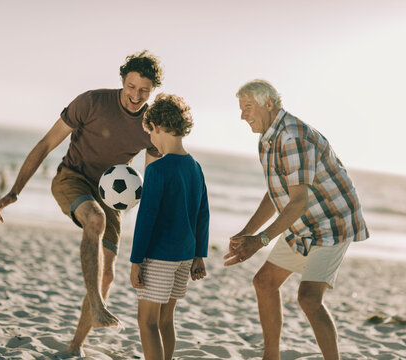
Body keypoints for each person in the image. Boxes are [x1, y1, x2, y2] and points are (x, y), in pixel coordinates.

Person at [0, 50, 163, 356]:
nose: (136, 96)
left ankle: (75, 346)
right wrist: (16, 189)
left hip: (111, 194)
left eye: (144, 91)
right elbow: (47, 143)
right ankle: (98, 304)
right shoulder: (92, 102)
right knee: (94, 220)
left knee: (108, 273)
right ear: (122, 81)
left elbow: (153, 181)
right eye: (131, 86)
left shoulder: (151, 124)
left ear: (152, 91)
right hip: (71, 178)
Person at [224, 79, 369, 360]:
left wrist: (261, 240)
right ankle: (271, 357)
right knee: (264, 282)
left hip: (331, 223)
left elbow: (299, 201)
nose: (243, 115)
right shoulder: (267, 139)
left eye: (248, 107)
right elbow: (276, 193)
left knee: (309, 299)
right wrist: (247, 233)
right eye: (241, 109)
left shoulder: (292, 137)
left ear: (269, 104)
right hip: (303, 222)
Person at [130, 94, 209, 360]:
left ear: (158, 127)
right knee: (166, 320)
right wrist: (200, 255)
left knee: (147, 322)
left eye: (149, 133)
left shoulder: (157, 169)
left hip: (159, 257)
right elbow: (203, 215)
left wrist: (135, 261)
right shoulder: (195, 167)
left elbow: (146, 218)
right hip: (185, 257)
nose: (151, 140)